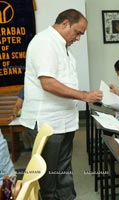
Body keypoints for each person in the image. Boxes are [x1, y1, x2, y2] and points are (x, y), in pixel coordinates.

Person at [19, 9, 103, 200]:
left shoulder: (62, 46)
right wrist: (83, 95)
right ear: (65, 24)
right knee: (48, 174)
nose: (79, 38)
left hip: (63, 119)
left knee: (63, 169)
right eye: (78, 32)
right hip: (47, 121)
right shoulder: (45, 43)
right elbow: (47, 83)